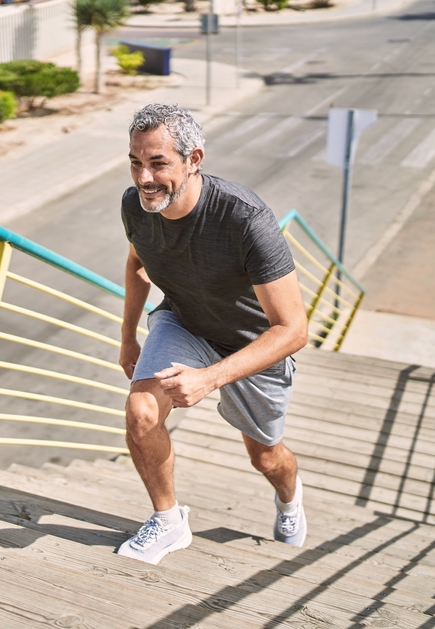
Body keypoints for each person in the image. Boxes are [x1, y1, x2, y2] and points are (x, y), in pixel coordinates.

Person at [116, 103, 309, 565]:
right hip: (183, 320)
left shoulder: (244, 218)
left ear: (193, 160)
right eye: (136, 162)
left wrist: (210, 377)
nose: (144, 177)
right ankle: (168, 523)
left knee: (266, 458)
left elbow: (294, 328)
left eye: (158, 163)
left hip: (252, 345)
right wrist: (128, 337)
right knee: (141, 412)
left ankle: (290, 499)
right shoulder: (135, 205)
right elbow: (137, 266)